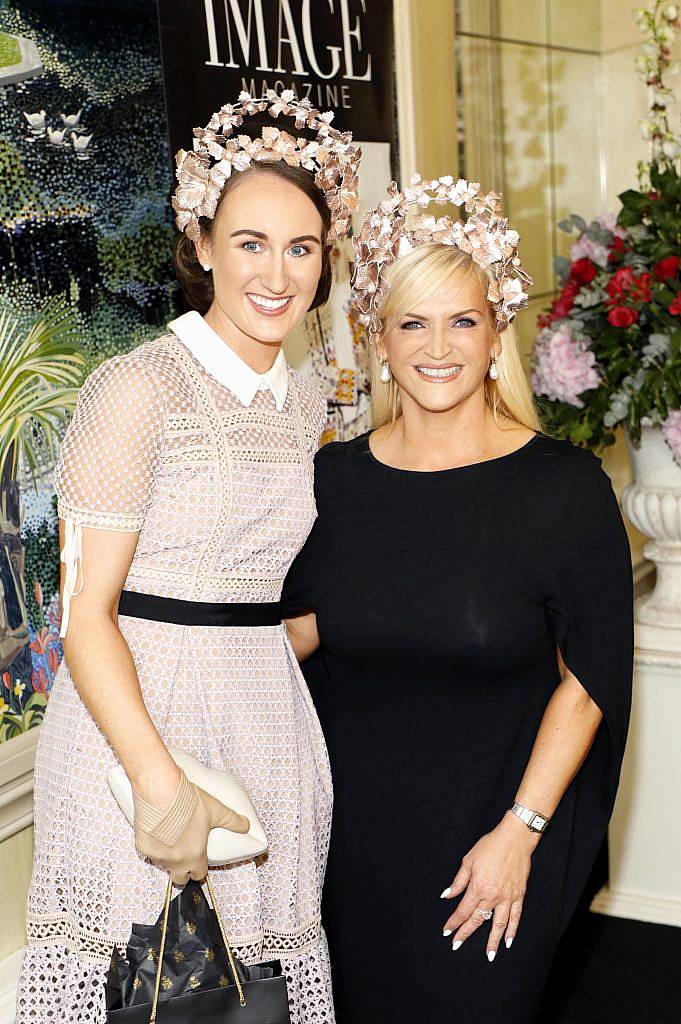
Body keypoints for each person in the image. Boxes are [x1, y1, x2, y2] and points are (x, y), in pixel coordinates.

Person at [16, 91, 360, 1024]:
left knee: (254, 997)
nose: (277, 274)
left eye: (301, 248)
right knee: (136, 988)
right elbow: (84, 614)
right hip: (139, 733)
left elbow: (268, 589)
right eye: (250, 242)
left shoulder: (305, 398)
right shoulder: (136, 389)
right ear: (202, 247)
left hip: (265, 724)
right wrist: (160, 784)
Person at [282, 176, 633, 1023]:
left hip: (496, 847)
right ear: (380, 337)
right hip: (349, 857)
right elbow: (280, 642)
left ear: (493, 335)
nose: (436, 346)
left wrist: (521, 832)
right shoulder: (331, 482)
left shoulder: (562, 489)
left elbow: (586, 684)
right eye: (412, 321)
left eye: (461, 320)